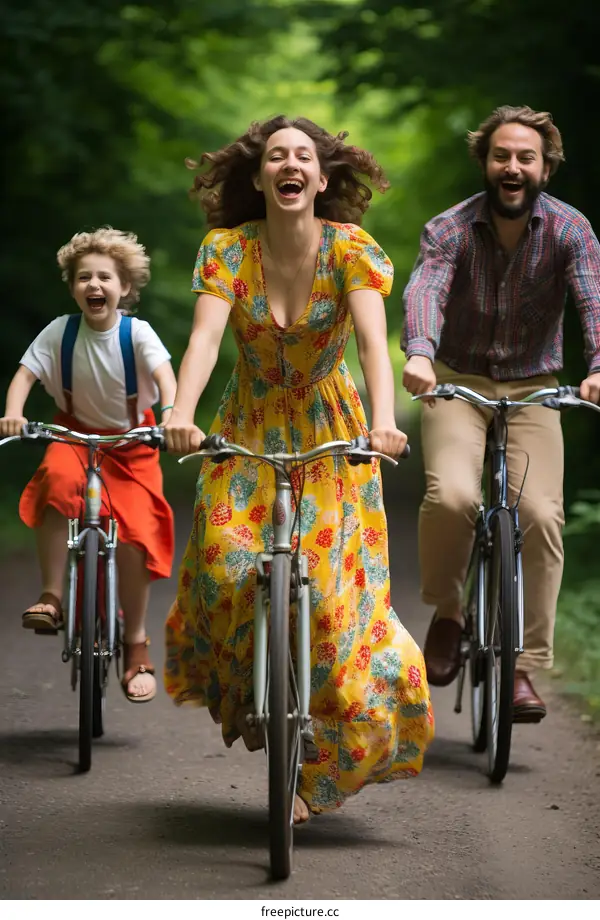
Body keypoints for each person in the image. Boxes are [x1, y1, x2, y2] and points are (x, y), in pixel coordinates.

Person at [163, 115, 434, 823]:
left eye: (303, 156)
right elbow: (203, 340)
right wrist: (182, 411)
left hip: (333, 432)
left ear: (320, 177)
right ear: (259, 178)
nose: (289, 164)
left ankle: (310, 775)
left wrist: (386, 422)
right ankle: (254, 691)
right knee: (227, 564)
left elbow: (376, 345)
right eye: (275, 156)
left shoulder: (351, 250)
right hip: (246, 424)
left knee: (333, 605)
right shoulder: (227, 250)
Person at [402, 105, 600, 722]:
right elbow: (426, 289)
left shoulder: (570, 230)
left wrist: (598, 366)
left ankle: (522, 669)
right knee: (453, 496)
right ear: (485, 162)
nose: (512, 167)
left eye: (526, 157)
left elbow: (594, 299)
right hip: (457, 382)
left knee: (541, 514)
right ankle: (449, 609)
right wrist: (420, 354)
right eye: (501, 156)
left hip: (536, 387)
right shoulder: (451, 228)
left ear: (545, 167)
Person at [0, 227, 177, 703]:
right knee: (56, 481)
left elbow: (164, 376)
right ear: (73, 286)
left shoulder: (136, 333)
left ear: (124, 287)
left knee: (139, 532)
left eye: (104, 277)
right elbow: (25, 375)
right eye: (84, 278)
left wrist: (173, 418)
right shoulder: (60, 331)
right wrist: (14, 414)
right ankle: (52, 596)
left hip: (133, 441)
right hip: (73, 434)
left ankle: (136, 644)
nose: (94, 285)